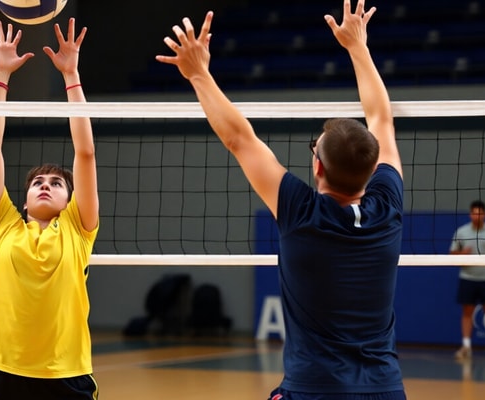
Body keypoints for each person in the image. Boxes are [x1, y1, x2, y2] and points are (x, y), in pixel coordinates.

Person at [157, 1, 405, 399]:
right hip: (386, 390)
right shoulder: (388, 206)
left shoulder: (300, 211)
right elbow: (381, 119)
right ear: (373, 168)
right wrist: (358, 47)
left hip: (314, 389)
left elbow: (239, 138)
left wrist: (197, 72)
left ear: (319, 169)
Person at [0, 18, 99, 399]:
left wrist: (71, 76)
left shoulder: (78, 229)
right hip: (2, 372)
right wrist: (0, 73)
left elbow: (86, 153)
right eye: (37, 183)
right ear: (24, 198)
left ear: (69, 200)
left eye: (57, 183)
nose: (45, 185)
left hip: (67, 373)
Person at [450, 200, 485, 360]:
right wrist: (463, 254)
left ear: (484, 214)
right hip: (468, 278)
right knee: (467, 312)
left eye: (480, 213)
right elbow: (451, 256)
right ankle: (466, 347)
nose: (477, 216)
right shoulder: (461, 231)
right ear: (470, 214)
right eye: (474, 213)